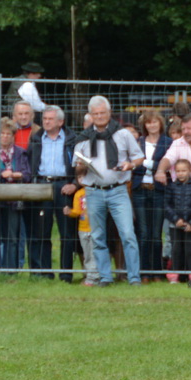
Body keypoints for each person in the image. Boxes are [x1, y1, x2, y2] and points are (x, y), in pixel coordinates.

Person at [73, 96, 145, 286]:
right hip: (93, 192)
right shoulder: (83, 138)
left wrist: (130, 165)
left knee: (128, 234)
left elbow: (139, 157)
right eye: (95, 114)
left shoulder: (123, 134)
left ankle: (134, 278)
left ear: (109, 113)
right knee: (97, 236)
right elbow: (77, 170)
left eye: (102, 113)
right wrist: (81, 166)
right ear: (90, 115)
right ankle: (105, 277)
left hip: (118, 191)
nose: (99, 117)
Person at [30, 106, 78, 280]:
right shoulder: (36, 139)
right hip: (43, 185)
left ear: (60, 121)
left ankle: (66, 274)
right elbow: (30, 162)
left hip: (64, 186)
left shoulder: (72, 140)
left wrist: (74, 184)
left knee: (67, 233)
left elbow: (80, 165)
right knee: (42, 231)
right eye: (44, 119)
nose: (46, 122)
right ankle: (45, 273)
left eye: (50, 119)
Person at [132, 109, 172, 280]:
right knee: (143, 232)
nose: (152, 125)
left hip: (159, 191)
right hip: (140, 189)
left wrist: (147, 163)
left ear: (160, 123)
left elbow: (168, 164)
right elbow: (133, 164)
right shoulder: (138, 142)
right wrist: (153, 164)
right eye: (149, 122)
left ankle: (157, 272)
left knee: (156, 234)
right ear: (144, 125)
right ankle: (144, 272)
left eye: (155, 121)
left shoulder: (168, 142)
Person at [0, 118, 33, 273]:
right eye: (2, 133)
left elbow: (27, 174)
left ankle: (11, 270)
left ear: (13, 136)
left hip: (14, 199)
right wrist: (1, 174)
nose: (5, 137)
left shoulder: (20, 152)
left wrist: (17, 174)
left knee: (13, 237)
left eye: (8, 134)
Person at [164, 158, 191, 284]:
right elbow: (166, 205)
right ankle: (175, 275)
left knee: (190, 250)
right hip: (175, 225)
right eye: (178, 171)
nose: (181, 173)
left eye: (183, 171)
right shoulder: (171, 187)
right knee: (176, 250)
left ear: (190, 171)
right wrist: (176, 219)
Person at [66, 169, 98, 285]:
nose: (82, 180)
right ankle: (89, 275)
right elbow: (77, 211)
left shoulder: (97, 192)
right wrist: (70, 212)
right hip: (83, 229)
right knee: (87, 254)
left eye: (85, 177)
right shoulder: (78, 194)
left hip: (95, 228)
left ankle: (96, 276)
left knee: (95, 253)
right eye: (79, 178)